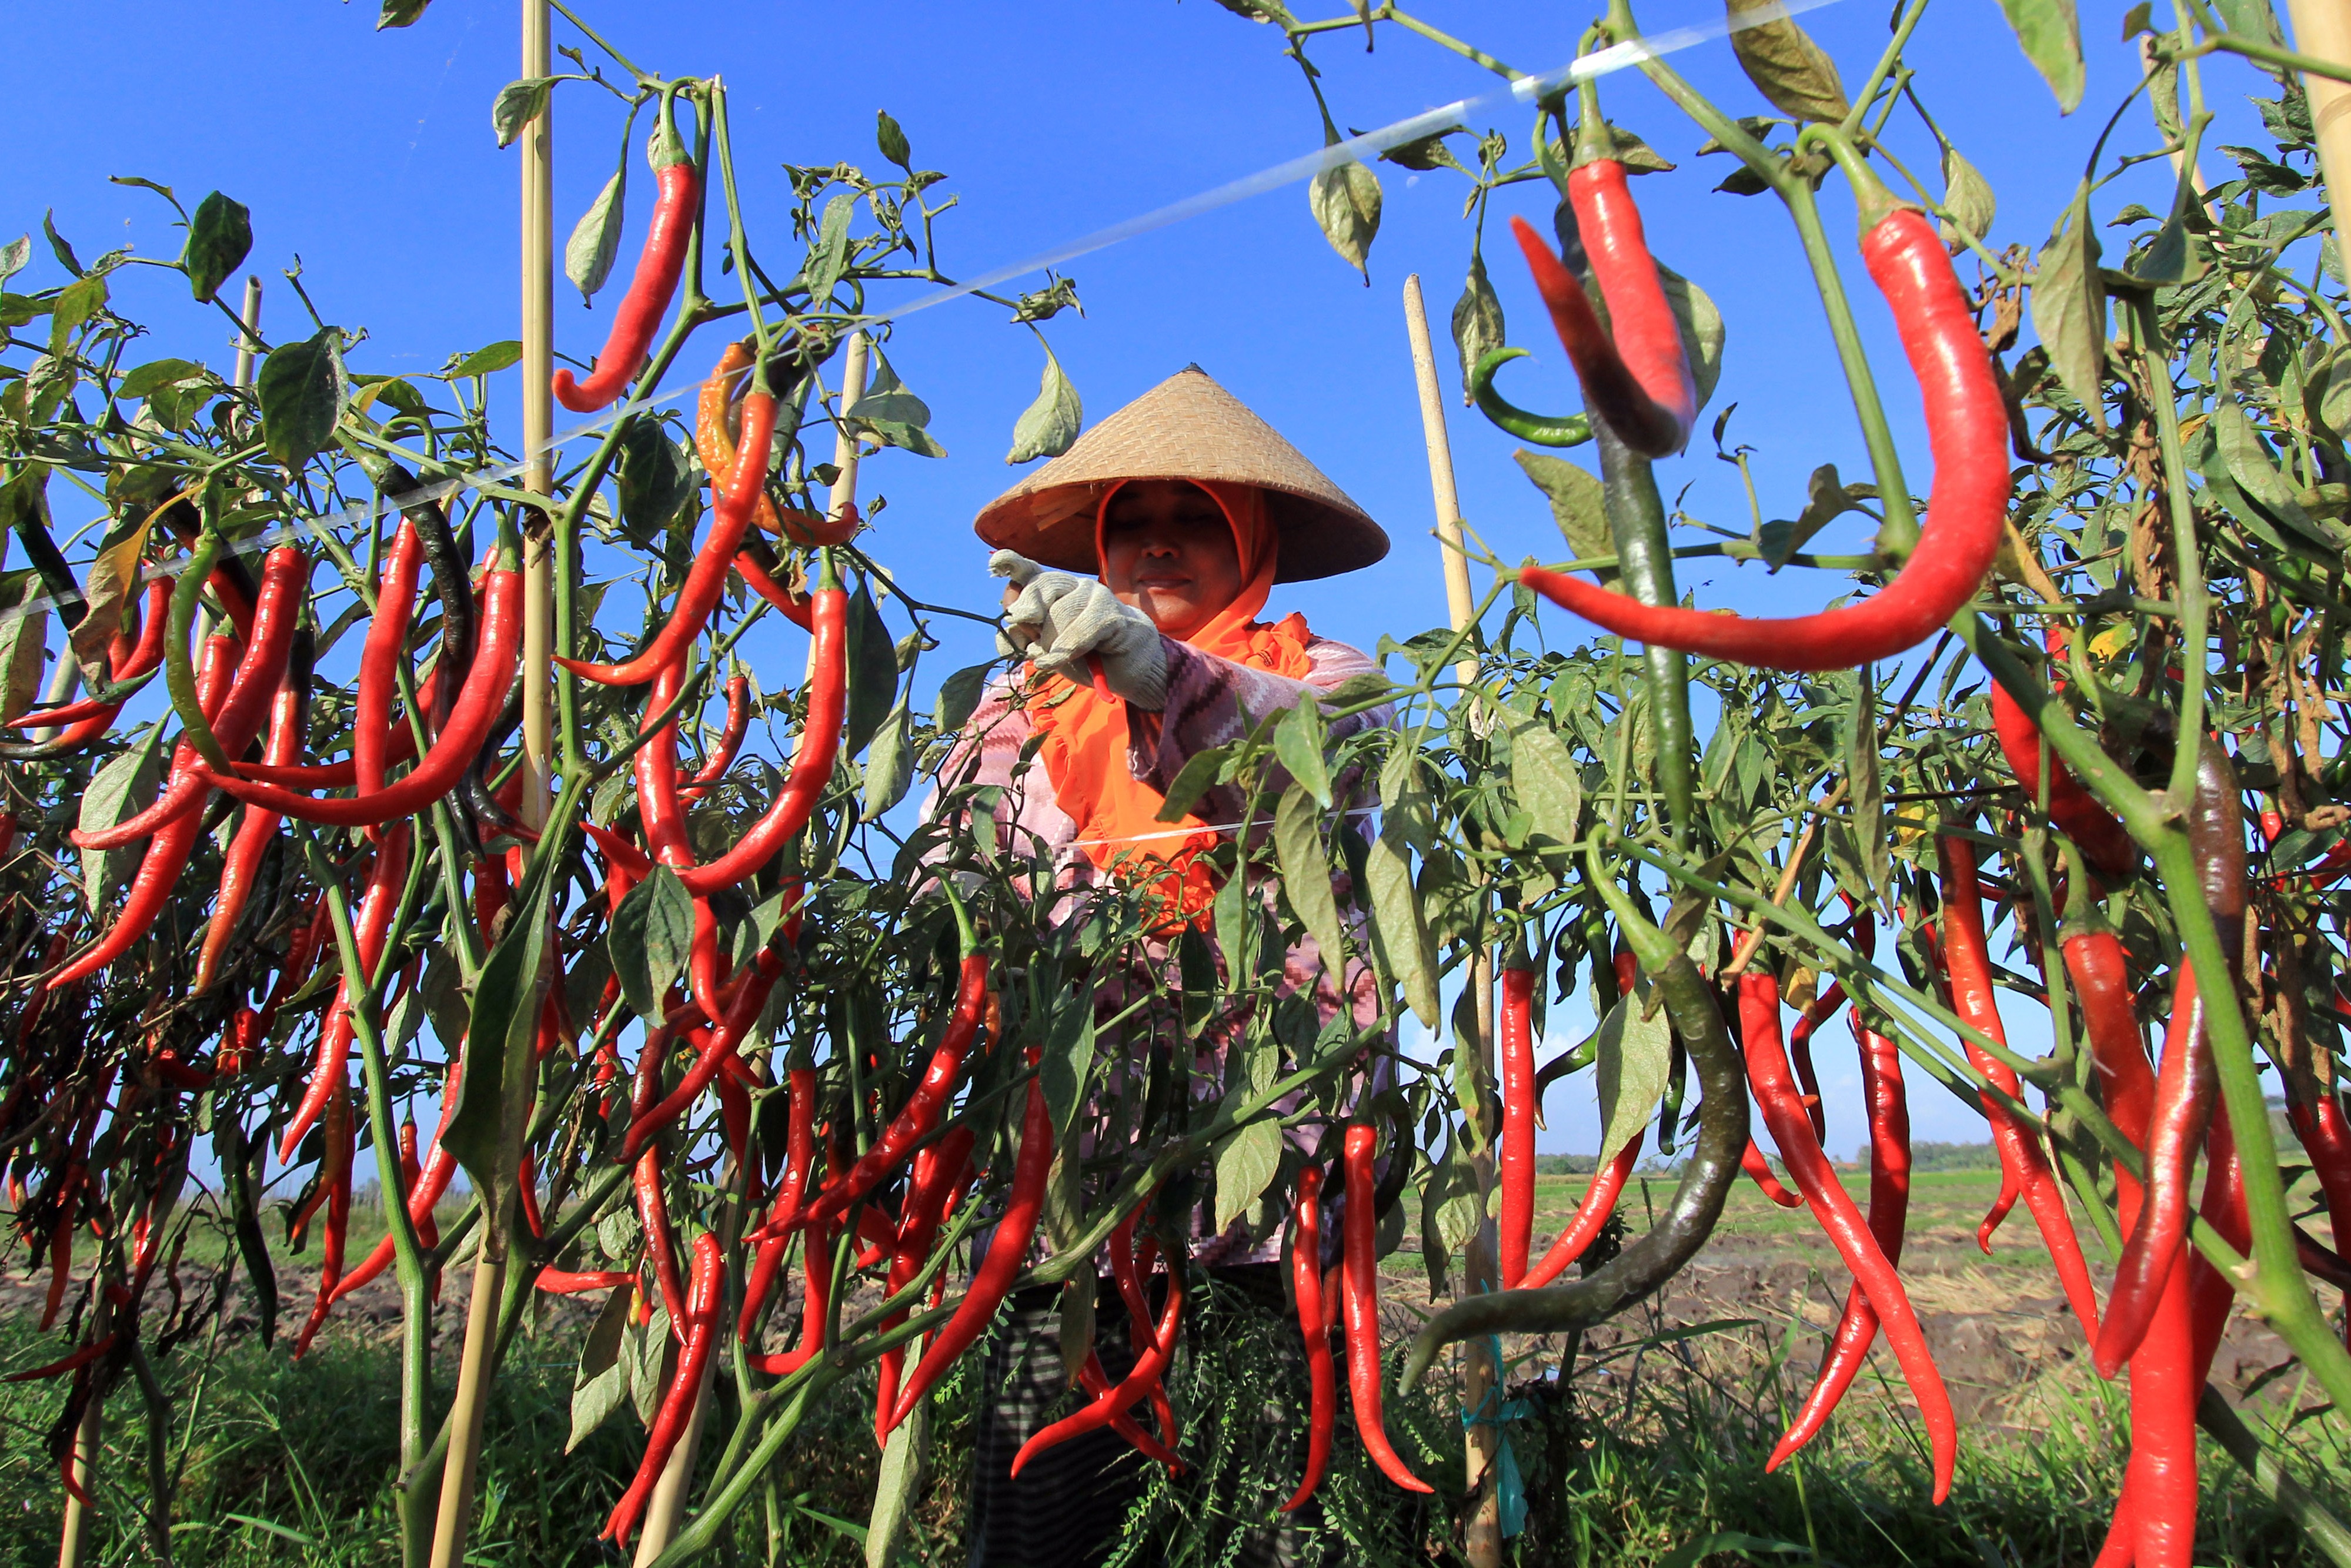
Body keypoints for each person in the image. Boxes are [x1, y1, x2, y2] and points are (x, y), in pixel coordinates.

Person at [929, 367, 1395, 1567]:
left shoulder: (1328, 677)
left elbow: (1285, 743)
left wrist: (1148, 668)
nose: (1158, 544)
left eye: (1194, 518)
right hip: (1067, 1163)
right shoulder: (1015, 708)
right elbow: (961, 884)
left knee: (1264, 1496)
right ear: (1099, 544)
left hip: (1263, 1150)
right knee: (1046, 1501)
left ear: (1251, 537)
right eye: (1131, 524)